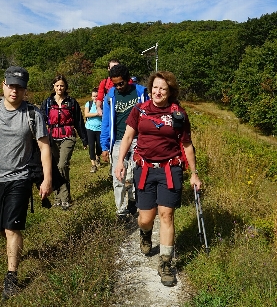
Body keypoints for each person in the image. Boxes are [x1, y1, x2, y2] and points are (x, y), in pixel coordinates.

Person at [0, 66, 53, 300]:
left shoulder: (33, 114)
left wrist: (47, 179)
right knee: (2, 228)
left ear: (25, 90)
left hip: (21, 178)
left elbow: (44, 147)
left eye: (20, 87)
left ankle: (11, 276)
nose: (15, 90)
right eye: (11, 85)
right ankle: (14, 255)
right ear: (3, 85)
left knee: (11, 227)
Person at [115, 70, 201, 287]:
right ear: (150, 89)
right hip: (144, 169)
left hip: (170, 170)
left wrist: (194, 174)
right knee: (146, 218)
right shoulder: (139, 110)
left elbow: (187, 145)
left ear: (170, 91)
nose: (158, 91)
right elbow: (127, 136)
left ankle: (165, 263)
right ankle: (145, 235)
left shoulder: (178, 114)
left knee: (166, 215)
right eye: (155, 87)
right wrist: (120, 162)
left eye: (163, 88)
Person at [100, 64, 149, 221]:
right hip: (119, 140)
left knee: (137, 174)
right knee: (118, 176)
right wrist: (104, 145)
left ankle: (136, 201)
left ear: (128, 79)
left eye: (121, 83)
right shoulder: (111, 95)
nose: (118, 87)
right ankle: (121, 209)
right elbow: (106, 122)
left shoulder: (141, 93)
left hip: (139, 140)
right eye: (115, 84)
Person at [40, 75, 88, 210]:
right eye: (57, 85)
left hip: (68, 136)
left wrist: (84, 139)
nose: (59, 88)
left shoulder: (71, 102)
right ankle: (57, 198)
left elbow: (79, 121)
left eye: (62, 85)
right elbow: (41, 122)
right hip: (52, 137)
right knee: (55, 167)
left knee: (62, 165)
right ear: (53, 87)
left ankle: (65, 198)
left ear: (65, 87)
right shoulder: (47, 103)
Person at [84, 88, 102, 173]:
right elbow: (86, 114)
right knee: (91, 146)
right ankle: (93, 165)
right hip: (90, 128)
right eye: (94, 96)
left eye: (97, 96)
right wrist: (97, 114)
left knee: (99, 145)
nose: (95, 98)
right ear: (91, 97)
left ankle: (98, 157)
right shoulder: (89, 104)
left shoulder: (102, 104)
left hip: (100, 128)